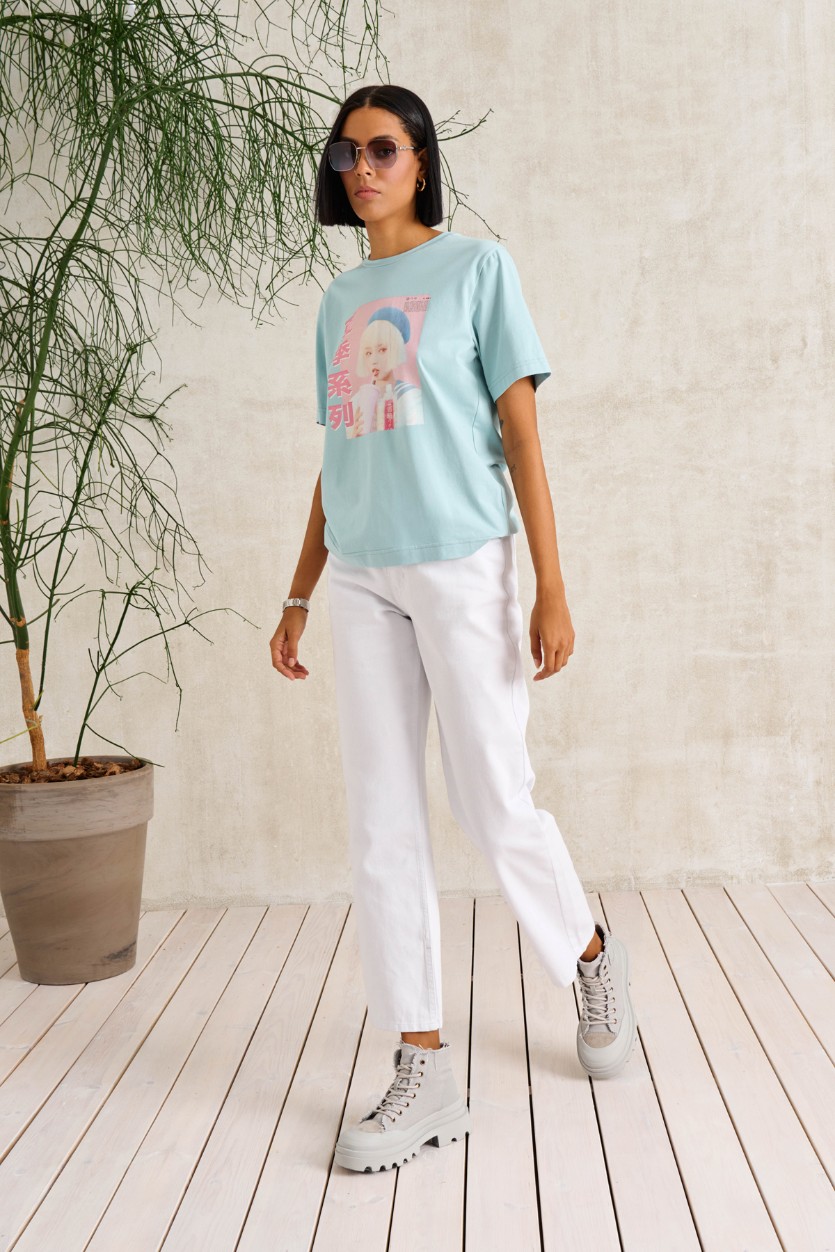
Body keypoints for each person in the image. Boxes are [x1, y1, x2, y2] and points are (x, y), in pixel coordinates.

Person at [269, 83, 638, 1175]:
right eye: (347, 153)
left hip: (463, 564)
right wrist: (298, 592)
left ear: (421, 162)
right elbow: (340, 452)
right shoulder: (340, 301)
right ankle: (421, 1062)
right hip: (361, 578)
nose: (361, 168)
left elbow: (520, 435)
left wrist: (550, 586)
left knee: (490, 797)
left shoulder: (479, 270)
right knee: (380, 820)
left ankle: (587, 950)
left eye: (382, 149)